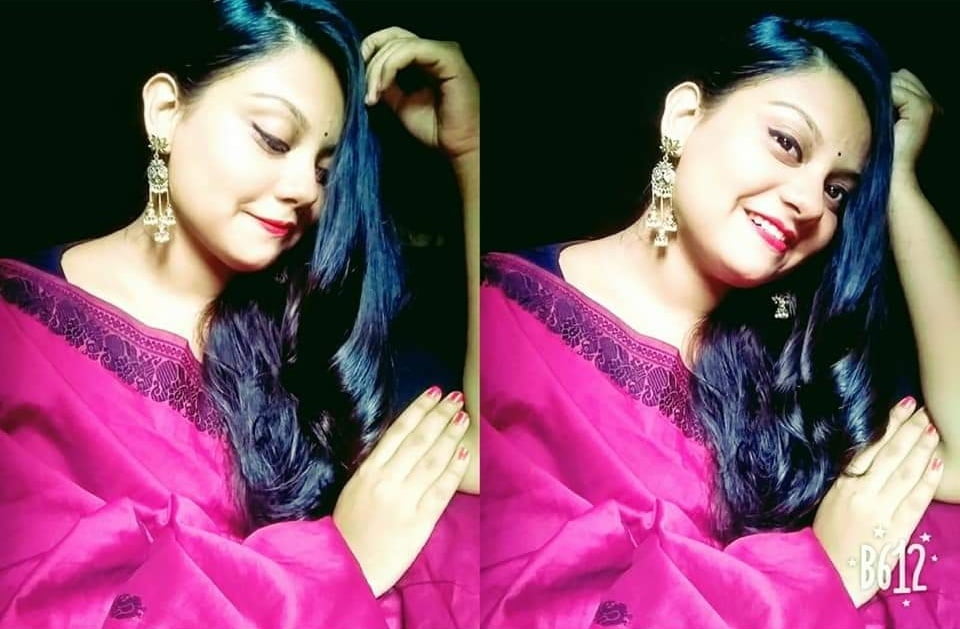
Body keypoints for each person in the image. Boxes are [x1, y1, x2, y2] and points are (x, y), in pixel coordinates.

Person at [0, 1, 479, 627]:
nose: (304, 189)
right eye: (273, 139)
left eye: (324, 171)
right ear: (166, 111)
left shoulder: (302, 332)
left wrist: (470, 154)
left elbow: (494, 462)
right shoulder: (19, 335)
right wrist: (337, 560)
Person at [480, 14, 959, 629]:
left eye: (838, 191)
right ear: (684, 117)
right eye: (787, 143)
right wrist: (817, 571)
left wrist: (899, 187)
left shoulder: (787, 360)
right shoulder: (502, 324)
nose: (809, 203)